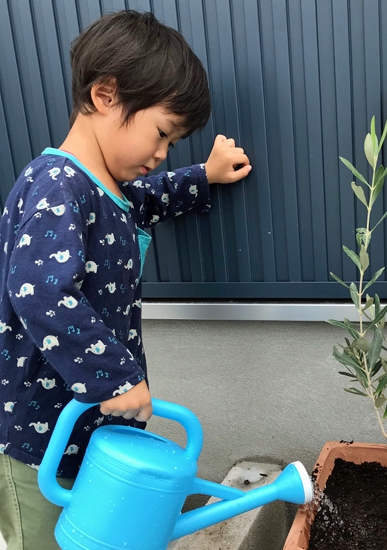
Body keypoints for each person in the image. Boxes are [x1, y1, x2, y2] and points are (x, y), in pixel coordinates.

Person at [0, 10, 251, 550]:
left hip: (84, 434)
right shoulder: (56, 185)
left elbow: (147, 199)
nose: (162, 154)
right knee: (45, 540)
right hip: (40, 441)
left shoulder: (107, 191)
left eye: (173, 144)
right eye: (162, 133)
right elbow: (40, 290)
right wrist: (115, 376)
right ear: (107, 94)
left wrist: (202, 176)